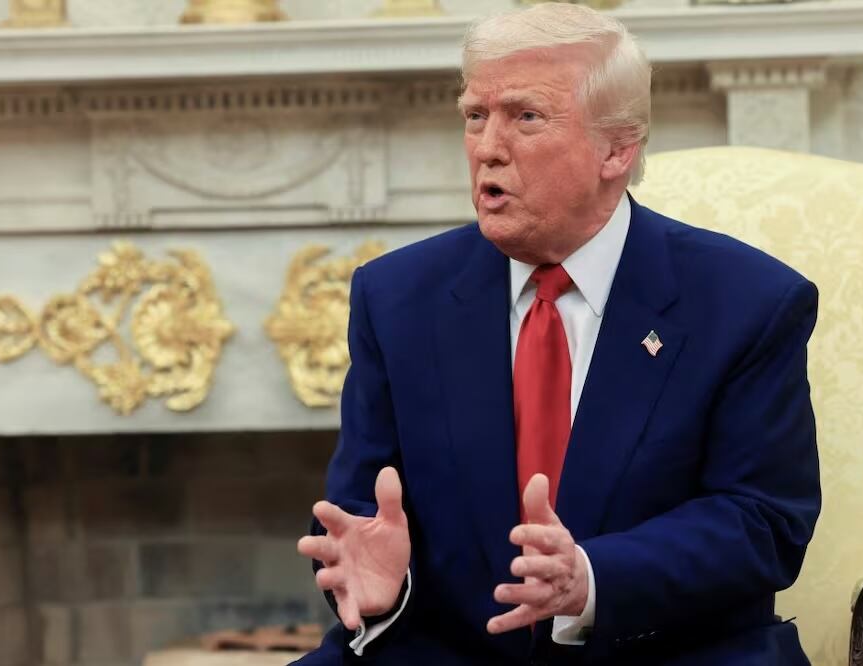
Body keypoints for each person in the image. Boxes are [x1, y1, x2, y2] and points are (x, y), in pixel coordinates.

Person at [294, 4, 820, 664]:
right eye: (475, 115)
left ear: (616, 149)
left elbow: (764, 521)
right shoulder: (397, 297)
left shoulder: (747, 302)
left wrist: (591, 578)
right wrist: (385, 584)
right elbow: (360, 511)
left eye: (525, 116)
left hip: (664, 648)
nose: (487, 146)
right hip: (455, 651)